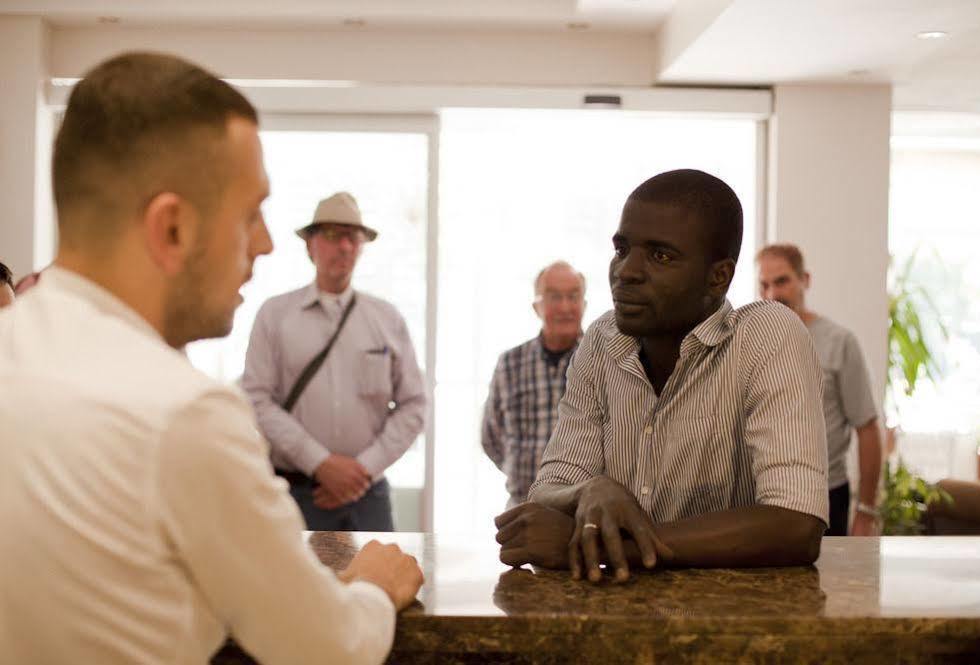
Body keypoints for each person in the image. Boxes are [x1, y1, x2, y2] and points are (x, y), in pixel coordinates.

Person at [0, 52, 422, 665]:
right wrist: (373, 589)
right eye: (249, 213)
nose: (266, 242)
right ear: (171, 229)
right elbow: (329, 647)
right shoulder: (184, 415)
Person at [495, 169, 829, 582]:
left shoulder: (766, 334)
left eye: (661, 256)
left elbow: (796, 524)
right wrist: (589, 490)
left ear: (718, 276)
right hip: (617, 619)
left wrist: (599, 547)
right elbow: (548, 493)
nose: (626, 271)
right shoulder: (602, 340)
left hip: (734, 625)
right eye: (622, 249)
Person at [242, 192, 427, 532]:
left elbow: (414, 404)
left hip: (368, 494)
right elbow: (256, 398)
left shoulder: (387, 319)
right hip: (296, 492)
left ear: (360, 247)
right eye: (331, 235)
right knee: (292, 587)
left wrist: (361, 470)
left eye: (352, 237)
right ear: (310, 245)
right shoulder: (274, 315)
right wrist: (320, 463)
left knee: (382, 583)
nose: (343, 246)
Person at [757, 243, 882, 536]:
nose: (772, 294)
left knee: (827, 581)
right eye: (764, 285)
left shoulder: (840, 342)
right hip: (765, 496)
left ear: (805, 280)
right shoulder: (754, 342)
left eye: (782, 281)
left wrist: (865, 511)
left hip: (827, 495)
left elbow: (867, 427)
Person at [482, 260, 586, 508]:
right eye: (554, 297)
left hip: (583, 508)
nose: (565, 306)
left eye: (573, 296)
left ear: (585, 304)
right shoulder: (510, 363)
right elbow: (490, 436)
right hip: (522, 505)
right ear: (536, 306)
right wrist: (518, 469)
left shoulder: (602, 362)